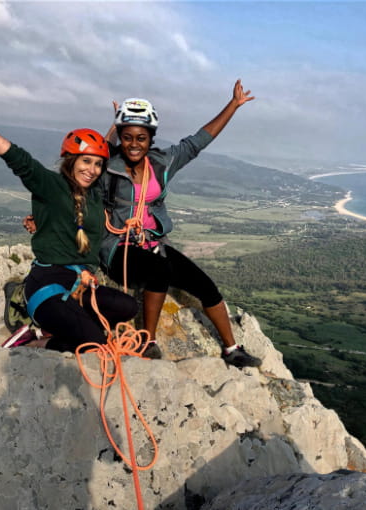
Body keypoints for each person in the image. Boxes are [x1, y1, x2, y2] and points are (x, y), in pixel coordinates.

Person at [0, 95, 138, 353]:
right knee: (95, 344)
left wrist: (116, 124)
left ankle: (51, 331)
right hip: (47, 286)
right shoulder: (51, 186)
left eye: (98, 164)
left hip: (80, 284)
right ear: (71, 160)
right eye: (85, 161)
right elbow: (20, 160)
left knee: (128, 308)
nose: (93, 169)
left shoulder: (94, 192)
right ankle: (36, 340)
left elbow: (104, 148)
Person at [100, 80, 262, 368]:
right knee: (160, 269)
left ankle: (231, 349)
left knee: (206, 287)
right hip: (117, 248)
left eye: (141, 138)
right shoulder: (107, 168)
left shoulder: (162, 163)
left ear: (150, 139)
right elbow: (80, 178)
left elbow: (198, 141)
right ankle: (147, 342)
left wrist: (233, 106)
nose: (134, 144)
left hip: (151, 245)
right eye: (127, 137)